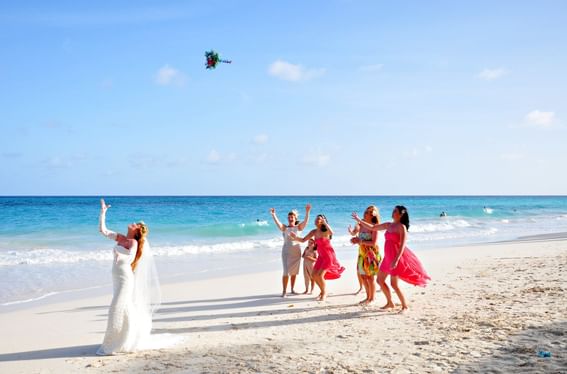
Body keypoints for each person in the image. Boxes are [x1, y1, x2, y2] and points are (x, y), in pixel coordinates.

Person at [97, 199, 161, 355]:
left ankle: (112, 345)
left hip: (125, 278)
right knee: (125, 309)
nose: (133, 223)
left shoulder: (132, 242)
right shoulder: (121, 238)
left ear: (137, 231)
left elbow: (130, 257)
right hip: (117, 277)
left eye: (135, 224)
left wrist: (121, 257)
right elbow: (103, 231)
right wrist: (103, 212)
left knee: (116, 308)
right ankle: (129, 339)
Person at [352, 205, 430, 312]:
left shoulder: (401, 227)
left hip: (395, 258)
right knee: (380, 280)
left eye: (395, 211)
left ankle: (405, 306)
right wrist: (359, 220)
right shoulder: (388, 225)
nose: (393, 212)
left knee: (394, 285)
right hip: (387, 258)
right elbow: (373, 227)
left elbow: (402, 245)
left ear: (401, 214)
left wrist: (396, 259)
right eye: (393, 210)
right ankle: (390, 303)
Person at [291, 215, 345, 301]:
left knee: (320, 276)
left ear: (323, 221)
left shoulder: (326, 231)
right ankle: (322, 291)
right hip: (321, 257)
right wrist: (295, 237)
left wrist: (325, 223)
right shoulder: (313, 232)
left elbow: (332, 233)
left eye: (319, 219)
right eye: (316, 218)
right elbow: (303, 240)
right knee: (314, 275)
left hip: (328, 256)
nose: (316, 220)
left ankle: (324, 293)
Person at [269, 204, 311, 297]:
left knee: (294, 272)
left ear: (295, 218)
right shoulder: (285, 228)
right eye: (289, 217)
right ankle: (284, 291)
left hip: (296, 252)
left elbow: (306, 222)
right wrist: (273, 215)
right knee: (286, 271)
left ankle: (292, 289)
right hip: (286, 252)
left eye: (292, 216)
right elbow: (278, 223)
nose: (290, 218)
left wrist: (307, 212)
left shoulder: (298, 227)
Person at [349, 205, 381, 305]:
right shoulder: (360, 224)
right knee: (363, 276)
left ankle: (372, 298)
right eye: (366, 211)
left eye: (368, 212)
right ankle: (367, 297)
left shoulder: (374, 226)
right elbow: (355, 233)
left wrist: (360, 241)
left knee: (370, 277)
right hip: (362, 253)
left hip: (371, 253)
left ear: (373, 215)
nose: (365, 213)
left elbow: (373, 243)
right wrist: (352, 235)